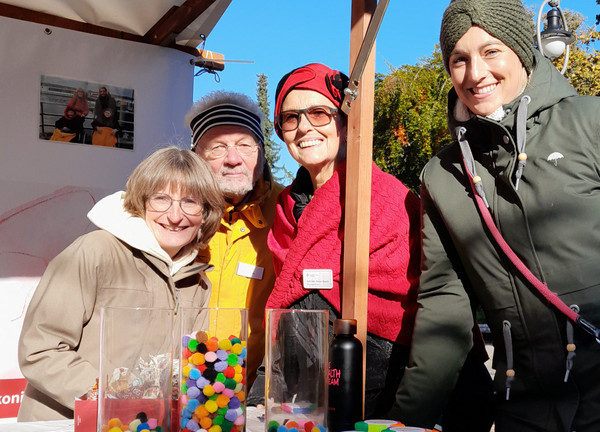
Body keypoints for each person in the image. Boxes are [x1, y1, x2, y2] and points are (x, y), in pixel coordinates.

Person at [390, 1, 600, 431]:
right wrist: (403, 422)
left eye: (491, 51)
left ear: (521, 49)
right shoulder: (441, 177)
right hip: (529, 412)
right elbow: (444, 307)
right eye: (459, 59)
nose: (475, 73)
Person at [255, 62, 420, 418]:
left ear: (345, 123)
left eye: (318, 113)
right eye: (290, 118)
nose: (303, 128)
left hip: (374, 381)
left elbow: (413, 292)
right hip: (300, 383)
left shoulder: (386, 197)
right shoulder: (286, 207)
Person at [17, 146, 225, 421]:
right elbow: (40, 350)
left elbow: (187, 368)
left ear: (206, 212)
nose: (176, 216)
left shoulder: (198, 281)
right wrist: (115, 399)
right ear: (140, 202)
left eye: (190, 202)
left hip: (143, 424)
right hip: (67, 422)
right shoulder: (94, 252)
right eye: (161, 199)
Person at [185, 91, 284, 389]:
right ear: (196, 158)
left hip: (258, 398)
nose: (232, 159)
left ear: (262, 153)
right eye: (217, 148)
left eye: (245, 145)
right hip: (180, 394)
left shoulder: (290, 211)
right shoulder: (173, 215)